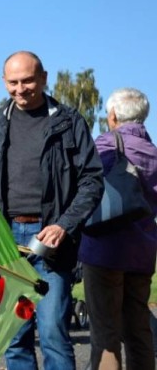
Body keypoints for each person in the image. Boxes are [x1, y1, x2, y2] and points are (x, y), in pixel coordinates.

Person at [0, 50, 104, 370]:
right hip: (5, 241)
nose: (20, 88)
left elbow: (92, 181)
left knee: (54, 333)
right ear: (3, 82)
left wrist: (63, 225)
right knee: (15, 339)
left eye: (27, 80)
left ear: (43, 78)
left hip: (52, 241)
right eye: (13, 82)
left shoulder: (70, 123)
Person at [78, 88, 157, 369]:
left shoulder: (104, 146)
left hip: (104, 251)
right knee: (139, 331)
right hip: (143, 253)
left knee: (106, 334)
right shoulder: (153, 152)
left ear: (112, 115)